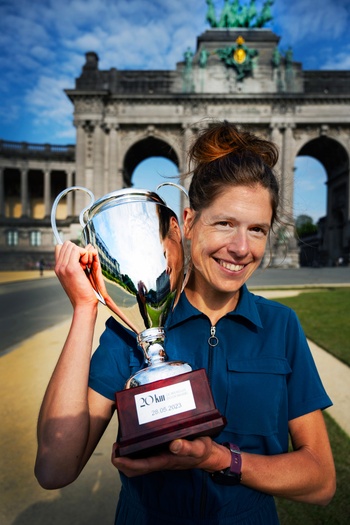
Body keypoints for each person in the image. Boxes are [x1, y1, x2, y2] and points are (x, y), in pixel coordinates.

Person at [35, 121, 336, 524]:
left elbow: (320, 480)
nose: (241, 248)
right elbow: (54, 468)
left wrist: (218, 459)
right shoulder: (131, 330)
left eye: (257, 229)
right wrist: (85, 308)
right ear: (189, 222)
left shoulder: (281, 326)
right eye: (225, 223)